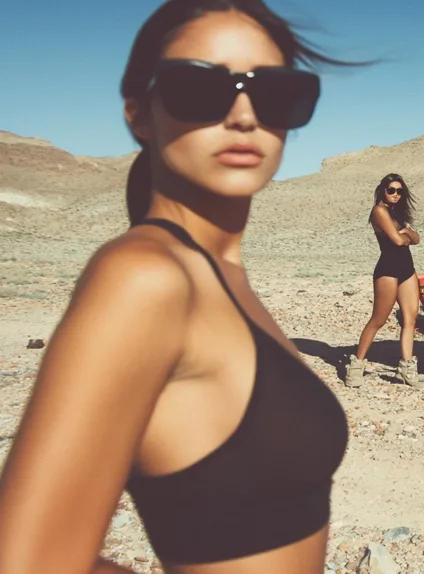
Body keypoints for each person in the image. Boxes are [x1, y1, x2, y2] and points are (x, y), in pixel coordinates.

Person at [0, 1, 369, 572]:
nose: (244, 116)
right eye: (199, 89)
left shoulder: (220, 274)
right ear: (138, 114)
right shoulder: (146, 277)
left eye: (273, 93)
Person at [345, 173, 424, 389]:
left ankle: (406, 369)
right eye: (392, 190)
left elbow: (416, 238)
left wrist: (408, 233)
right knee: (378, 320)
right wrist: (406, 234)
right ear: (383, 190)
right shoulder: (379, 211)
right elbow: (399, 241)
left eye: (400, 191)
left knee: (410, 320)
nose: (396, 194)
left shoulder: (396, 213)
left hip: (407, 270)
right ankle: (356, 367)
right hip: (388, 271)